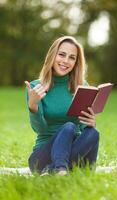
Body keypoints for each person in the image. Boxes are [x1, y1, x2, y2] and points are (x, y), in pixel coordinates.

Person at [25, 35, 99, 176]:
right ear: (53, 56)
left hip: (73, 153)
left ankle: (58, 170)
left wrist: (90, 123)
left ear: (76, 62)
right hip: (42, 158)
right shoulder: (35, 87)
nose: (66, 61)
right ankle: (59, 168)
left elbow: (84, 130)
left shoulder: (82, 87)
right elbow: (40, 129)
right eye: (62, 55)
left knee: (93, 133)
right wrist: (33, 106)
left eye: (72, 57)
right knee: (69, 127)